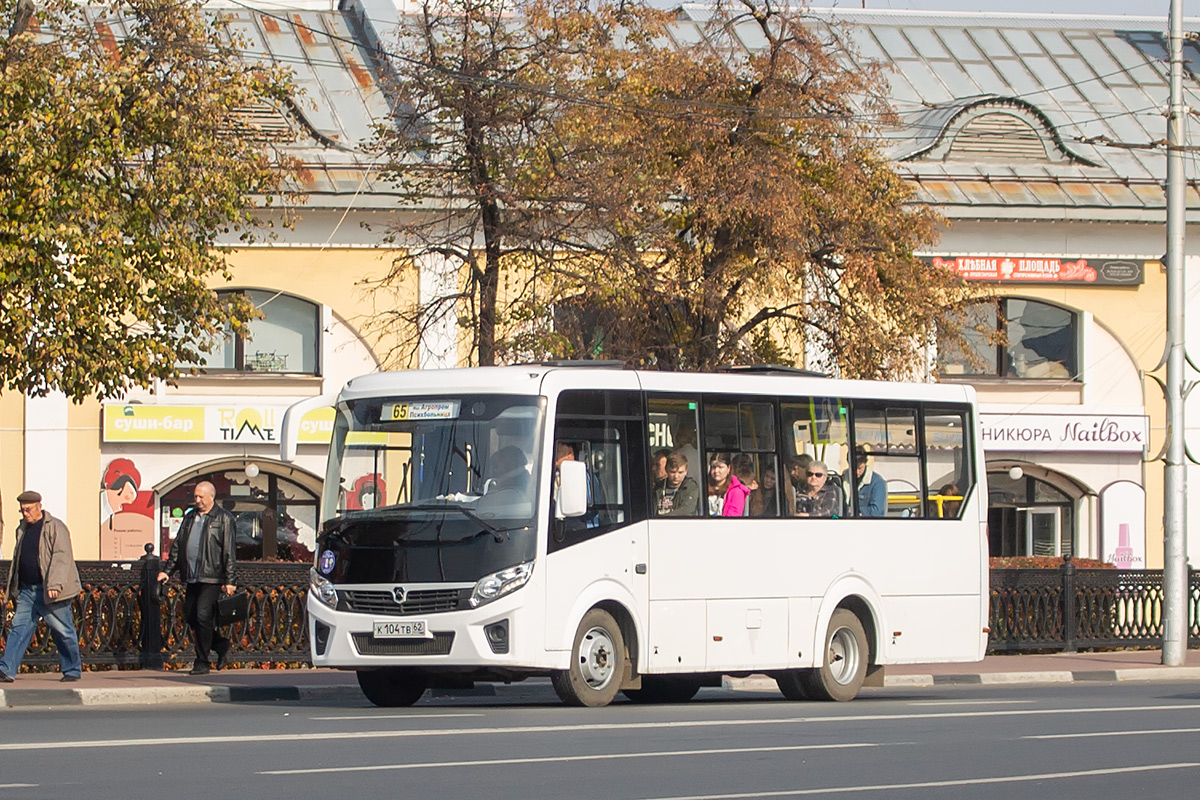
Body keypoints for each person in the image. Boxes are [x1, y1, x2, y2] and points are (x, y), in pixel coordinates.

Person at [0, 491, 83, 683]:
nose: (25, 514)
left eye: (28, 509)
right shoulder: (22, 528)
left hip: (50, 591)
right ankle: (6, 669)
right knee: (18, 629)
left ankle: (72, 669)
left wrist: (54, 584)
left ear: (39, 505)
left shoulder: (55, 527)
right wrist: (15, 586)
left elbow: (61, 557)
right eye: (22, 510)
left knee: (63, 630)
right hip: (28, 590)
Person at [158, 481, 237, 676]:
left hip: (212, 576)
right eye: (195, 496)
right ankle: (220, 644)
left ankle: (202, 662)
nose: (197, 500)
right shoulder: (190, 517)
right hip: (192, 575)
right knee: (191, 616)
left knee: (203, 615)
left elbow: (229, 551)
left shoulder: (223, 518)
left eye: (201, 496)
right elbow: (177, 547)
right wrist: (167, 570)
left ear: (211, 496)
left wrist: (230, 580)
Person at [654, 452, 701, 516]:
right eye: (672, 472)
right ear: (666, 470)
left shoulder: (690, 487)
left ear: (686, 471)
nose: (676, 476)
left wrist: (663, 518)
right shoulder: (658, 487)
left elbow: (687, 511)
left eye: (680, 472)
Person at [707, 453, 751, 517]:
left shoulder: (737, 491)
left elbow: (733, 518)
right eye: (713, 467)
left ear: (728, 468)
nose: (716, 471)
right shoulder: (704, 487)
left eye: (720, 467)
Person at [848, 445, 886, 517]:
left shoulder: (877, 482)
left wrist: (853, 510)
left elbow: (876, 511)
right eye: (853, 468)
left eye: (860, 468)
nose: (856, 472)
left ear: (865, 463)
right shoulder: (844, 479)